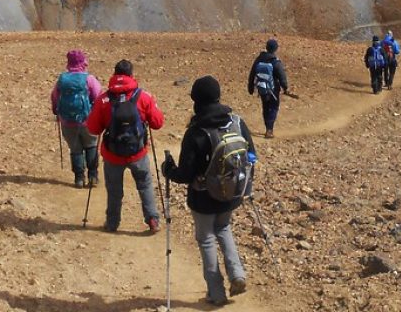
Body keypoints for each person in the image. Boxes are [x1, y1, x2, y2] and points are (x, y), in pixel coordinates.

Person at [162, 76, 256, 307]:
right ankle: (237, 275)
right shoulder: (236, 121)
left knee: (206, 239)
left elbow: (185, 175)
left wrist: (168, 170)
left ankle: (216, 292)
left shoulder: (196, 132)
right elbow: (251, 155)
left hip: (204, 198)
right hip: (232, 194)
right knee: (224, 228)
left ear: (196, 101)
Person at [86, 59, 166, 233]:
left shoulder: (104, 99)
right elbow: (158, 123)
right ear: (131, 75)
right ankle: (152, 220)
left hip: (112, 155)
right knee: (145, 185)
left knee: (114, 190)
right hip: (138, 153)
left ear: (114, 75)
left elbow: (93, 129)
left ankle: (112, 224)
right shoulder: (143, 97)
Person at [50, 49, 103, 188]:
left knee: (75, 149)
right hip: (87, 120)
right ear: (83, 62)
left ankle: (79, 179)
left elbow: (55, 97)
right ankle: (93, 176)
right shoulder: (89, 79)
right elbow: (98, 96)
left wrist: (56, 111)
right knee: (91, 146)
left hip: (67, 121)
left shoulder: (62, 80)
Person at [248, 38, 290, 138]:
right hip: (273, 89)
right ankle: (269, 130)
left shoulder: (259, 59)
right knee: (274, 108)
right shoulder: (275, 61)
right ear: (275, 49)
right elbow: (282, 76)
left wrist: (250, 87)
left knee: (265, 107)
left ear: (266, 47)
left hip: (262, 89)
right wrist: (286, 88)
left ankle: (268, 127)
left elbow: (252, 73)